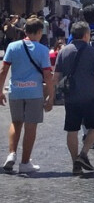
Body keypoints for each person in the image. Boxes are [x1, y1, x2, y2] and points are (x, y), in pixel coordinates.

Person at [0, 16, 54, 175]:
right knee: (31, 126)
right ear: (39, 32)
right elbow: (47, 75)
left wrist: (0, 90)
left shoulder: (12, 46)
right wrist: (51, 96)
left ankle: (11, 153)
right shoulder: (43, 50)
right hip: (34, 92)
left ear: (24, 30)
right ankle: (25, 162)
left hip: (15, 90)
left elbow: (3, 71)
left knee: (16, 123)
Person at [53, 20, 94, 175]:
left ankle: (75, 162)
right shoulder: (93, 51)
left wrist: (56, 94)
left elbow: (56, 77)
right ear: (85, 35)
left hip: (71, 97)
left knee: (72, 130)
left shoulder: (64, 51)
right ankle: (83, 154)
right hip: (90, 95)